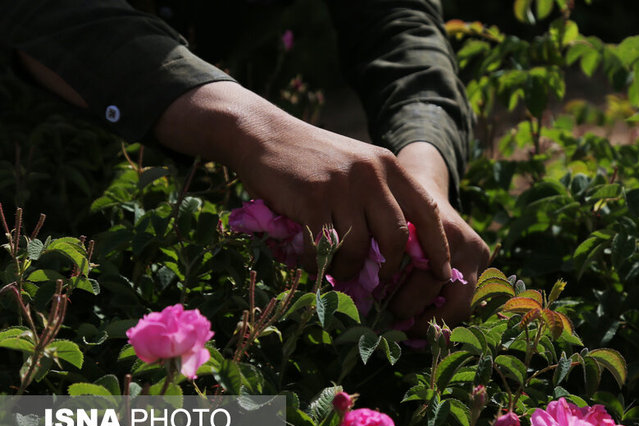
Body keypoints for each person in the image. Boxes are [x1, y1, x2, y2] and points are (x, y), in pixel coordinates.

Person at [0, 0, 490, 328]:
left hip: (171, 201)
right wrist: (252, 128)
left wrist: (422, 173)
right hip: (26, 189)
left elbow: (401, 25)